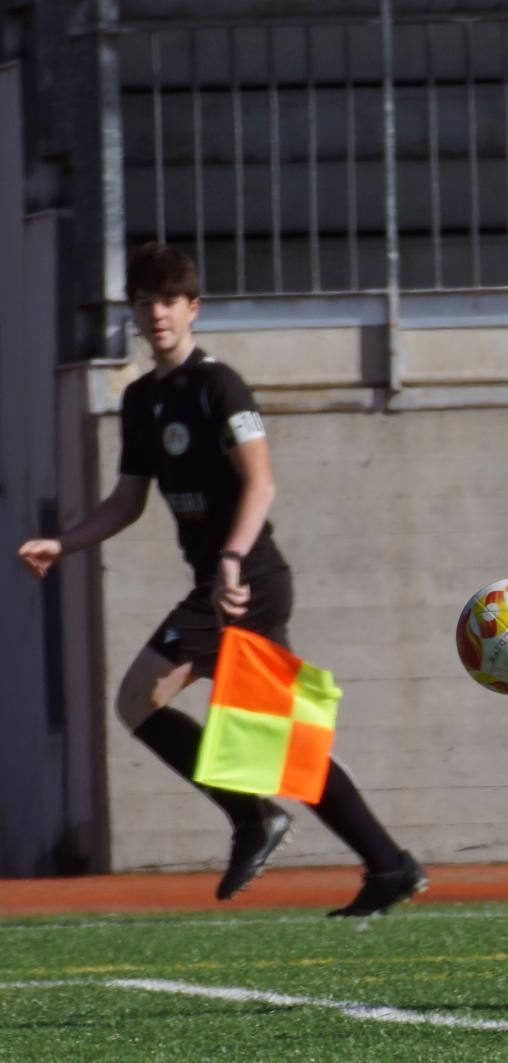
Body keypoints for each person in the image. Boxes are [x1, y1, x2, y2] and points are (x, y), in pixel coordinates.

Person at [16, 243, 426, 918]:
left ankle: (329, 845)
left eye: (169, 301)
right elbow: (127, 502)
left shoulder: (219, 385)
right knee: (152, 704)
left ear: (192, 307)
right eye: (144, 302)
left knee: (262, 738)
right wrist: (64, 542)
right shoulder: (143, 399)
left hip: (249, 584)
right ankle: (366, 856)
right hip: (212, 587)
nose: (156, 314)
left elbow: (261, 482)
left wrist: (233, 559)